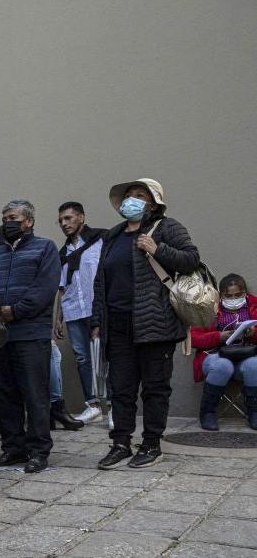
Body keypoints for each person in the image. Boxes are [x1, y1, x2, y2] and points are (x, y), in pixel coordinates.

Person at [92, 178, 200, 470]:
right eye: (129, 195)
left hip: (156, 322)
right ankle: (121, 443)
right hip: (118, 324)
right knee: (121, 388)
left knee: (154, 388)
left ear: (153, 202)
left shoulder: (167, 227)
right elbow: (101, 281)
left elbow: (191, 260)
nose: (132, 200)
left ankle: (152, 444)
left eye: (140, 195)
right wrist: (97, 319)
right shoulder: (113, 235)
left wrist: (156, 248)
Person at [0, 200, 60, 473]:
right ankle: (13, 449)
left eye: (13, 217)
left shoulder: (45, 248)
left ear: (28, 221)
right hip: (1, 335)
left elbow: (46, 288)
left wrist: (16, 311)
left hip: (30, 334)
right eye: (4, 218)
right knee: (4, 395)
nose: (7, 222)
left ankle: (39, 451)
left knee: (35, 394)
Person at [54, 201, 106, 428]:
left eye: (68, 218)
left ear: (81, 217)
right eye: (61, 221)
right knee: (82, 358)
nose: (64, 224)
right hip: (74, 310)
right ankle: (93, 406)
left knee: (104, 356)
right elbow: (61, 288)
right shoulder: (63, 252)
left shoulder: (100, 241)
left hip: (98, 308)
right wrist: (58, 317)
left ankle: (113, 406)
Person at [190, 274, 257, 430]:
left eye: (238, 295)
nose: (234, 299)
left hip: (246, 356)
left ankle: (254, 411)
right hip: (214, 357)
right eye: (229, 296)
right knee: (223, 366)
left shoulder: (254, 305)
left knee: (255, 365)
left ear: (245, 292)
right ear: (221, 295)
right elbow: (193, 338)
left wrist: (253, 333)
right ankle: (207, 412)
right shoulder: (209, 307)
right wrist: (217, 336)